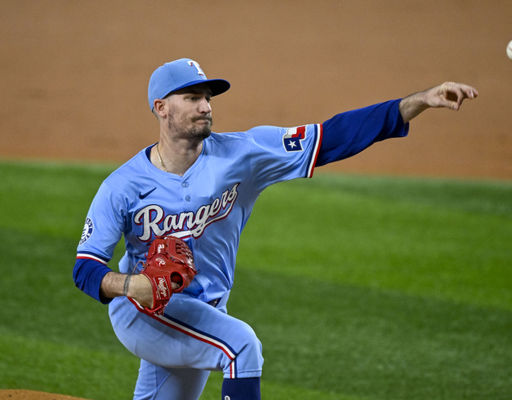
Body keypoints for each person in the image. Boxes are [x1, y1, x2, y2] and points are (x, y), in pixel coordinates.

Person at [73, 58, 478, 400]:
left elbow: (333, 136)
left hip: (204, 311)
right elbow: (86, 268)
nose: (205, 107)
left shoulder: (243, 154)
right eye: (192, 97)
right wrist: (132, 286)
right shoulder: (122, 186)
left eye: (208, 98)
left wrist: (418, 102)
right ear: (161, 107)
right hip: (144, 311)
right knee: (240, 346)